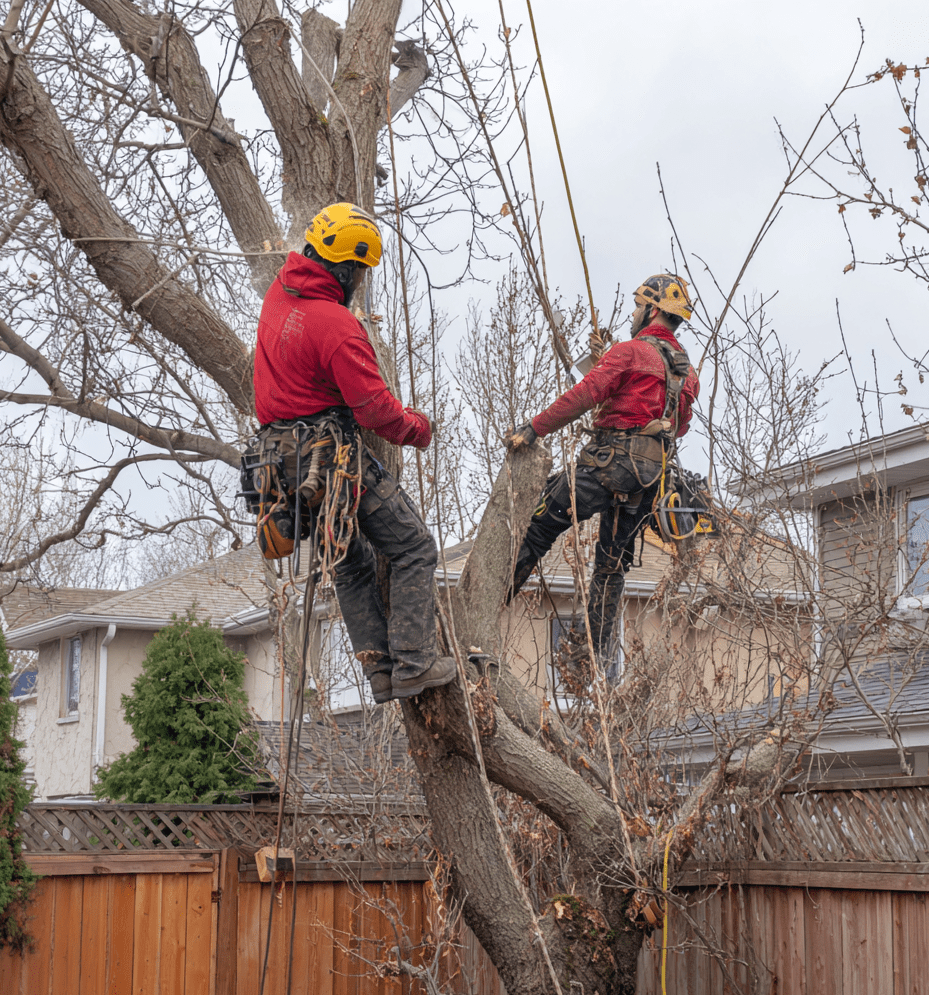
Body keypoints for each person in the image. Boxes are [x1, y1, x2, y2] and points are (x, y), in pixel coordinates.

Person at [252, 202, 456, 703]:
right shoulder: (336, 326)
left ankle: (380, 671)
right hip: (329, 460)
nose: (361, 281)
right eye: (360, 272)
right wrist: (418, 429)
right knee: (413, 547)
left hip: (280, 460)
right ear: (346, 268)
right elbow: (374, 411)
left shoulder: (278, 296)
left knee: (347, 559)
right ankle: (414, 662)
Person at [504, 274, 701, 662]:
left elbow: (584, 395)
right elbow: (678, 426)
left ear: (653, 310)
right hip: (649, 479)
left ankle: (492, 599)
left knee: (539, 523)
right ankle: (593, 659)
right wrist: (607, 361)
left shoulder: (629, 352)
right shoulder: (686, 371)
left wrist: (533, 428)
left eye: (637, 305)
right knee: (610, 568)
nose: (633, 313)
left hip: (608, 464)